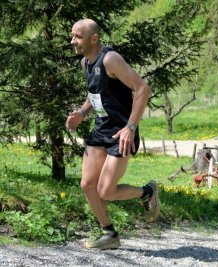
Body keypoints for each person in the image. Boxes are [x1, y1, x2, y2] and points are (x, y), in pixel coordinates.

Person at [66, 19, 159, 250]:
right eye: (72, 36)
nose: (72, 41)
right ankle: (109, 234)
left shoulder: (110, 59)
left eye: (77, 36)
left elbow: (142, 88)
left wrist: (131, 127)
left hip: (121, 132)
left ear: (93, 38)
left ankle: (147, 193)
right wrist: (82, 113)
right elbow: (94, 94)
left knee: (106, 191)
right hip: (100, 130)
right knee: (88, 184)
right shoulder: (85, 64)